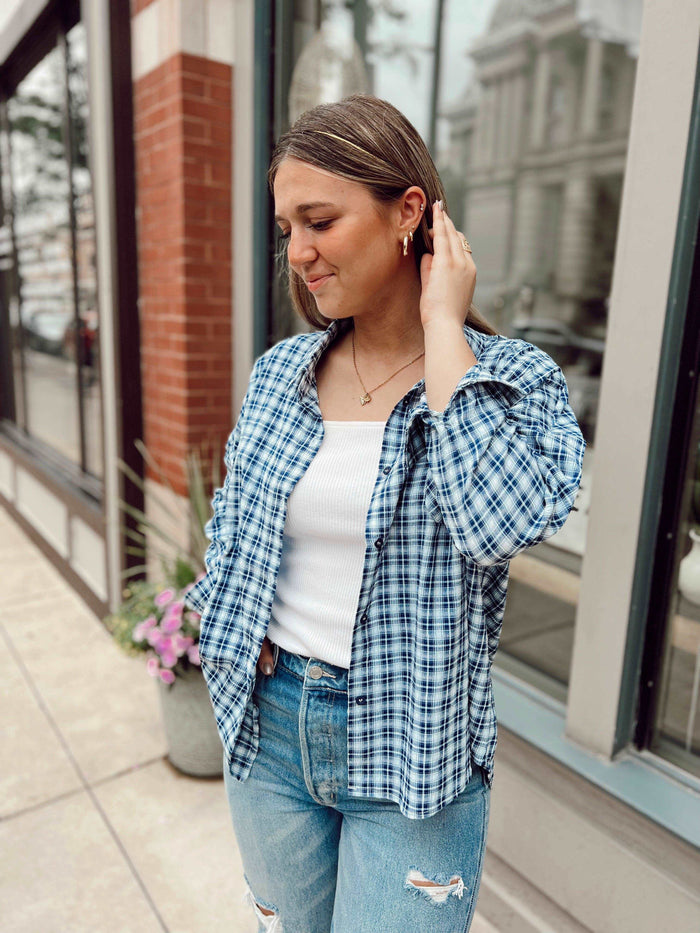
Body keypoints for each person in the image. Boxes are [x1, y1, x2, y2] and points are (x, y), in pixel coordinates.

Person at [185, 94, 585, 932]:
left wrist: (443, 328)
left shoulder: (514, 380)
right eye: (287, 227)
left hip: (414, 750)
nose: (298, 252)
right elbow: (234, 513)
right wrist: (228, 620)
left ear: (408, 212)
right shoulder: (283, 372)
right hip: (271, 727)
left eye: (319, 220)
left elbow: (494, 523)